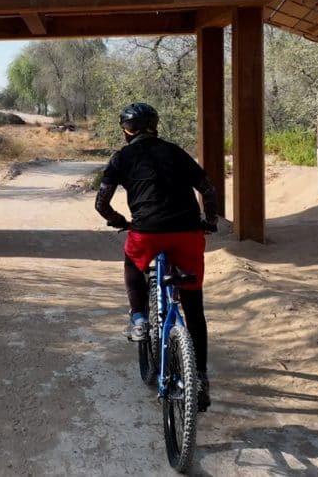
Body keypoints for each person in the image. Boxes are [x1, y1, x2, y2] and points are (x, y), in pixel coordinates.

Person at [94, 102, 219, 412]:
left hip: (147, 231)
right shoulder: (174, 151)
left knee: (133, 264)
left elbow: (101, 202)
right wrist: (210, 221)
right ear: (155, 126)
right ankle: (200, 378)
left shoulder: (121, 157)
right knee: (194, 308)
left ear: (125, 130)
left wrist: (118, 220)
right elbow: (208, 189)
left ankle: (138, 318)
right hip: (188, 233)